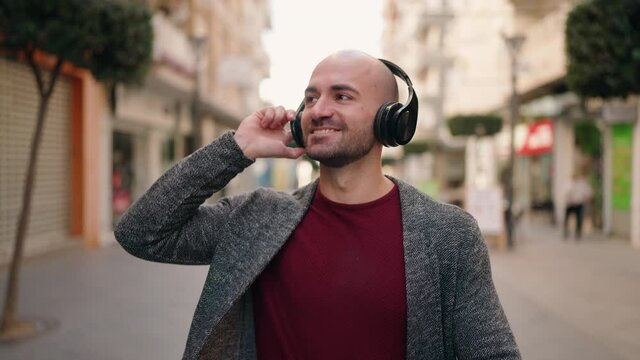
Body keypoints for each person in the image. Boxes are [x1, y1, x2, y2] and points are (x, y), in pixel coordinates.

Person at [115, 50, 520, 360]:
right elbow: (141, 233)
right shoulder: (257, 217)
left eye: (342, 96)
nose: (319, 109)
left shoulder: (446, 234)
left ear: (391, 120)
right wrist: (237, 149)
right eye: (310, 98)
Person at [563, 173, 593, 239]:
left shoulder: (582, 184)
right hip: (570, 204)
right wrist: (569, 200)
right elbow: (565, 193)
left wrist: (587, 198)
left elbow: (588, 193)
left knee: (579, 218)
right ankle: (566, 231)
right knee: (567, 218)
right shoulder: (568, 184)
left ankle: (578, 232)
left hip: (579, 203)